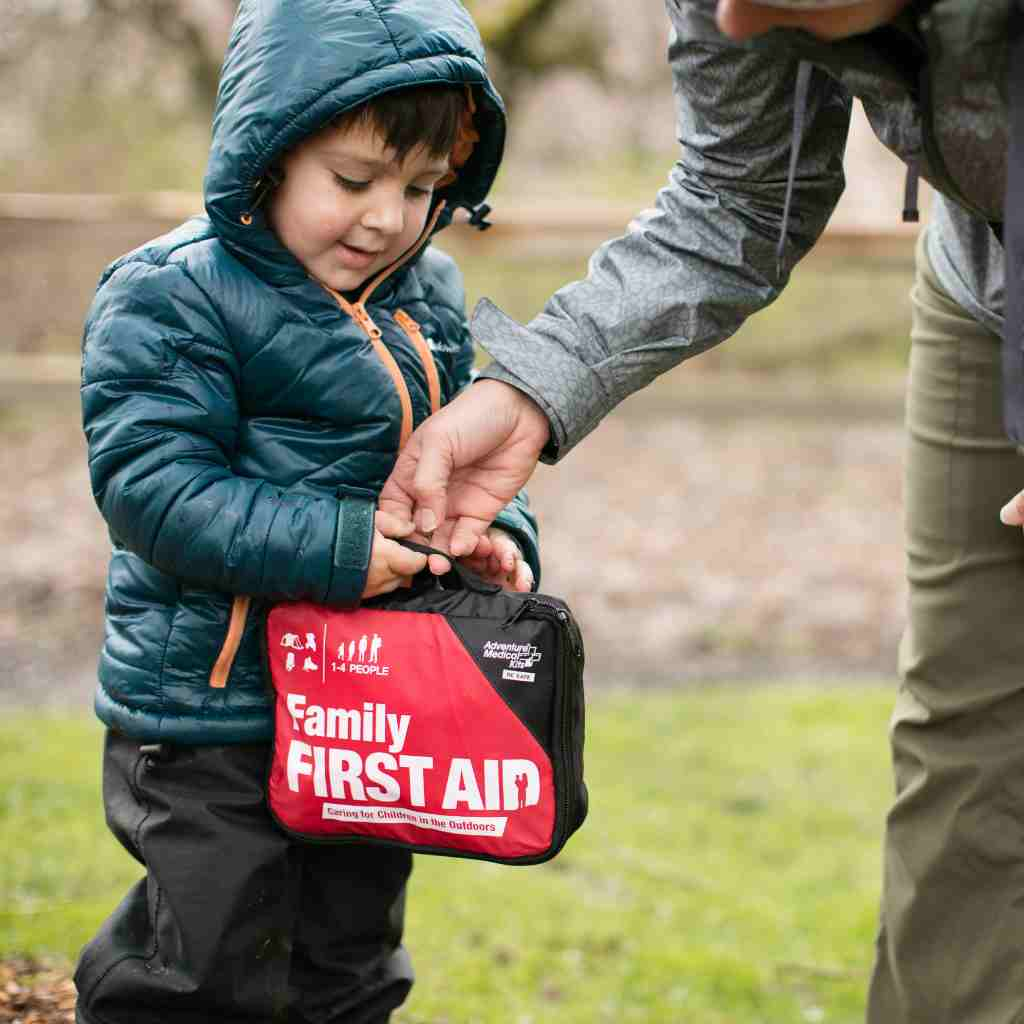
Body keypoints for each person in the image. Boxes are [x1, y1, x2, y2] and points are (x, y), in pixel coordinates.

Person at [381, 1, 1024, 1020]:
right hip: (983, 275)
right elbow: (738, 195)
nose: (730, 15)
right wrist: (530, 391)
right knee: (968, 725)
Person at [73, 1, 539, 1021]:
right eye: (353, 179)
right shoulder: (172, 294)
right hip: (210, 704)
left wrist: (497, 534)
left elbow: (455, 457)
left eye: (422, 188)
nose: (386, 217)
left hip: (369, 700)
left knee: (349, 952)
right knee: (204, 956)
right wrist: (338, 549)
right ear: (270, 153)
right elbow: (152, 489)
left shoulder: (430, 292)